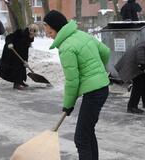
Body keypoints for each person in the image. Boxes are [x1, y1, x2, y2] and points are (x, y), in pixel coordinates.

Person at [43, 10, 110, 160]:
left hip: (94, 92)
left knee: (81, 138)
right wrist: (98, 73)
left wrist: (68, 105)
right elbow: (105, 52)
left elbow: (72, 81)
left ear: (57, 28)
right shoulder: (82, 35)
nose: (48, 34)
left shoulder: (66, 47)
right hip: (102, 88)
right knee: (87, 132)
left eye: (50, 31)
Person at [115, 35, 145, 114]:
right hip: (135, 62)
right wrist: (141, 62)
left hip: (141, 64)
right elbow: (141, 48)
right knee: (139, 84)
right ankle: (131, 107)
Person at [0, 24, 37, 90]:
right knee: (16, 68)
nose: (32, 32)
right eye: (31, 30)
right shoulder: (20, 32)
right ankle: (16, 84)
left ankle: (20, 81)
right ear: (29, 29)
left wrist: (26, 60)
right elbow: (9, 37)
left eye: (34, 31)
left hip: (19, 53)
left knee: (22, 66)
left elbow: (25, 50)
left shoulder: (29, 38)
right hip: (11, 51)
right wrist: (10, 43)